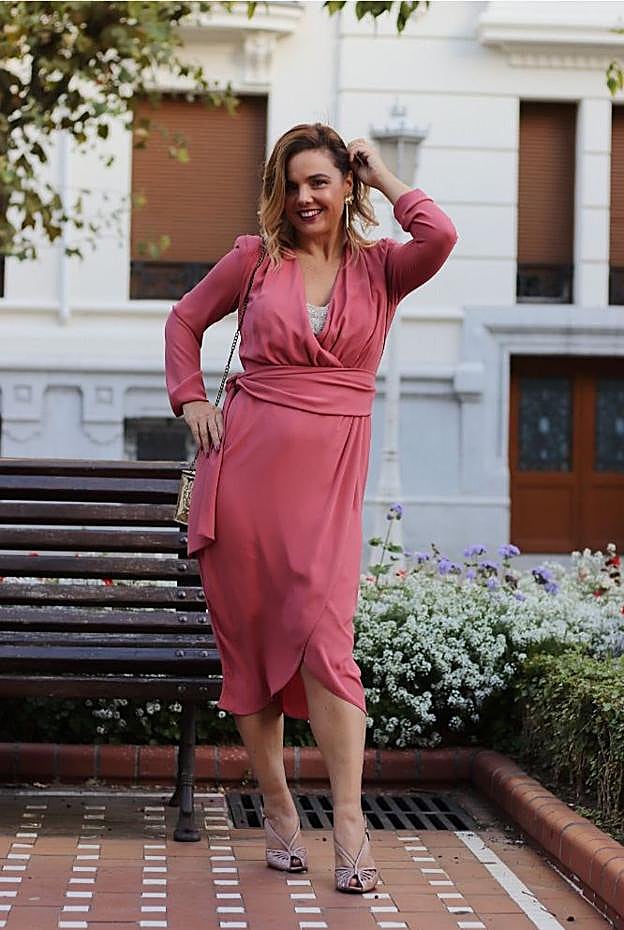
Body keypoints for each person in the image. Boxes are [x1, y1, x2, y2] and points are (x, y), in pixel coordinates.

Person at [164, 122, 458, 892]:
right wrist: (190, 397)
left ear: (346, 185)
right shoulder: (254, 261)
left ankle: (350, 820)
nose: (304, 197)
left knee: (328, 644)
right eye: (292, 184)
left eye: (320, 181)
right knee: (253, 648)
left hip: (327, 491)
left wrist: (384, 173)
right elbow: (184, 320)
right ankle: (277, 804)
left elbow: (440, 234)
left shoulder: (383, 268)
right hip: (243, 483)